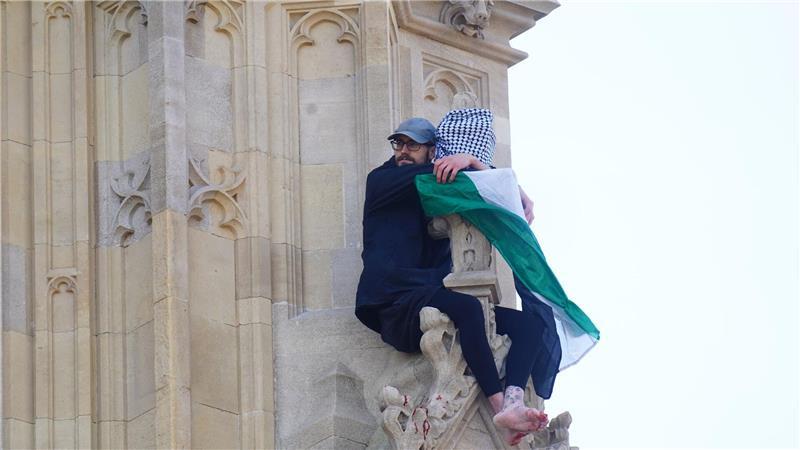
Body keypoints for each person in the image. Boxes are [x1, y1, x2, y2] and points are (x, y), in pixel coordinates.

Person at [355, 116, 561, 445]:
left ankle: (513, 400)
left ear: (432, 149)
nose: (403, 151)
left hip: (428, 293)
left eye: (413, 145)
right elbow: (457, 178)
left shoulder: (429, 184)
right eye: (399, 144)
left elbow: (469, 185)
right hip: (394, 302)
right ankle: (498, 407)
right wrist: (476, 164)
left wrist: (480, 167)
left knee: (530, 327)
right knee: (468, 309)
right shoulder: (383, 180)